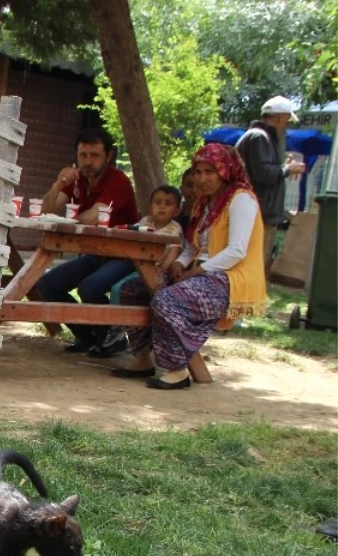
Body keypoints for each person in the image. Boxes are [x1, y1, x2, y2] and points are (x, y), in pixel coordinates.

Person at [112, 144, 266, 390]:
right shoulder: (204, 204)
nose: (201, 179)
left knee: (167, 300)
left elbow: (237, 250)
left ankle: (176, 370)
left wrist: (197, 271)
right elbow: (195, 245)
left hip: (228, 279)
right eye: (198, 172)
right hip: (199, 272)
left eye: (210, 172)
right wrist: (180, 264)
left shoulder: (241, 199)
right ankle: (142, 357)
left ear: (225, 171)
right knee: (133, 289)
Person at [35, 128, 142, 356]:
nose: (87, 161)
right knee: (46, 285)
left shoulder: (118, 180)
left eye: (94, 155)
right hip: (95, 253)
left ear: (108, 156)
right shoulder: (77, 180)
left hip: (125, 255)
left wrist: (66, 219)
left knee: (90, 288)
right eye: (83, 155)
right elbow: (45, 211)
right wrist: (57, 185)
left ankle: (112, 339)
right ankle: (88, 336)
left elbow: (92, 218)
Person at [235, 95, 307, 278]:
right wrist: (288, 169)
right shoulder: (260, 137)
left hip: (259, 211)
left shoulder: (259, 136)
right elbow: (263, 173)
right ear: (280, 117)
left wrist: (283, 165)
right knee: (253, 263)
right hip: (258, 212)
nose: (286, 125)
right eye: (287, 120)